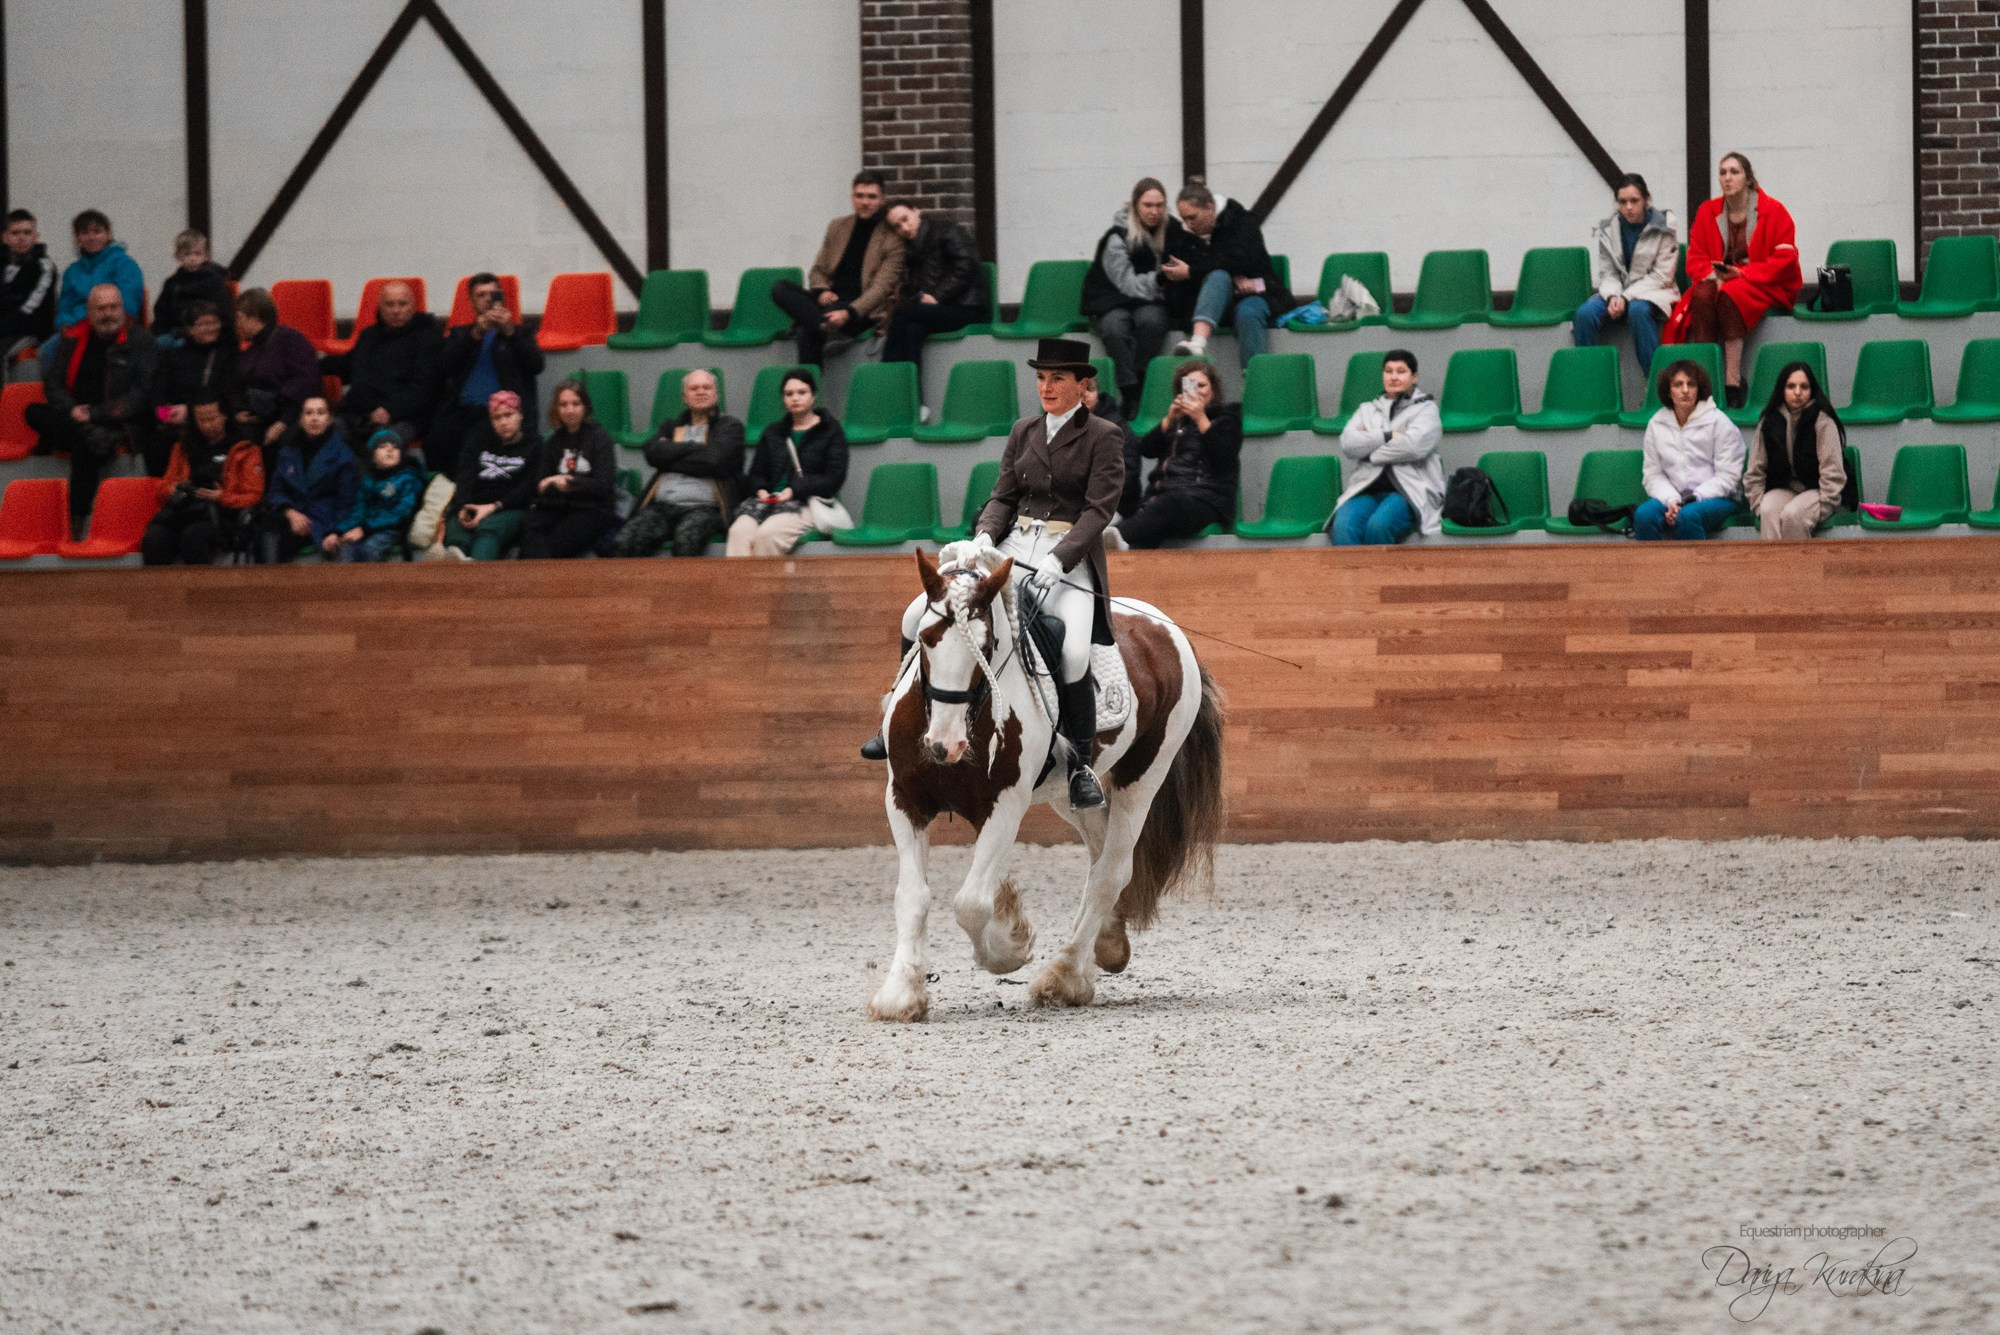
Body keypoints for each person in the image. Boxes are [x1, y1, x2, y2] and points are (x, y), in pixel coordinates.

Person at [865, 337, 1123, 811]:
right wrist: (985, 536)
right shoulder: (1024, 430)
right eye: (1041, 378)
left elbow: (1098, 510)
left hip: (1066, 557)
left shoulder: (1103, 435)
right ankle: (893, 723)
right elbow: (1003, 496)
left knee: (1071, 650)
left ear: (1083, 385)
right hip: (1009, 548)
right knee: (913, 617)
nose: (1046, 387)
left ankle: (1081, 765)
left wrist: (1059, 558)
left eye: (1058, 379)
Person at [1664, 153, 1801, 408]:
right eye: (1723, 172)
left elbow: (1785, 259)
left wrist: (1742, 274)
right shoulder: (1708, 211)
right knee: (1701, 295)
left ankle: (1732, 379)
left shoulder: (1773, 210)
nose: (1727, 178)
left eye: (1734, 172)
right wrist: (1715, 276)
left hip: (1761, 281)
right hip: (1720, 278)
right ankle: (1703, 379)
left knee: (1732, 293)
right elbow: (1695, 258)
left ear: (1747, 177)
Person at [28, 283, 158, 540]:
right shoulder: (73, 336)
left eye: (114, 307)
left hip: (117, 421)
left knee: (84, 443)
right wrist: (73, 410)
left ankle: (77, 519)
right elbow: (53, 383)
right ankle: (83, 433)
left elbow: (141, 394)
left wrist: (96, 414)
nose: (109, 313)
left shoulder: (142, 341)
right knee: (32, 411)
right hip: (76, 416)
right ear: (90, 311)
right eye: (101, 308)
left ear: (123, 308)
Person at [769, 170, 906, 366]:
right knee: (780, 288)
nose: (864, 202)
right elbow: (818, 269)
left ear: (882, 200)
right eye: (859, 196)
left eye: (871, 197)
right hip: (829, 303)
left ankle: (809, 387)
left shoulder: (892, 237)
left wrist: (848, 312)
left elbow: (881, 289)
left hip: (860, 309)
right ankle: (828, 328)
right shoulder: (838, 226)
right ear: (852, 197)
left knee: (805, 330)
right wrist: (822, 290)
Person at [1162, 178, 1296, 368]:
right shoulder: (1183, 236)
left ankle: (1251, 380)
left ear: (1210, 207)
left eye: (1193, 217)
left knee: (1248, 313)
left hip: (1256, 292)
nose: (1188, 224)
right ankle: (1197, 343)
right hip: (1208, 301)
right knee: (1218, 276)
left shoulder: (1243, 222)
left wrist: (1193, 270)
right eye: (1184, 219)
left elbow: (1242, 260)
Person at [612, 368, 746, 557]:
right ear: (685, 397)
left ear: (716, 395)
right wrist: (697, 449)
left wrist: (670, 458)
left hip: (705, 509)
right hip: (663, 506)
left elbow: (715, 461)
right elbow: (652, 453)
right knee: (625, 540)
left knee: (686, 538)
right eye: (694, 388)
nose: (701, 392)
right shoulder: (671, 426)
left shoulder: (730, 426)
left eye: (707, 387)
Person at [429, 271, 545, 482]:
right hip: (462, 412)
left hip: (499, 414)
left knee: (480, 441)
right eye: (481, 295)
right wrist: (476, 334)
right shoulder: (461, 334)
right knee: (436, 439)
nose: (487, 299)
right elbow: (444, 366)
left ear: (501, 298)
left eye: (492, 294)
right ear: (471, 301)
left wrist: (510, 331)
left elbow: (536, 365)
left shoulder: (520, 333)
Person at [1113, 358, 1240, 548]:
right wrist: (1168, 420)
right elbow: (1146, 450)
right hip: (1163, 499)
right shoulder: (1178, 420)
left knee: (1168, 504)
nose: (1197, 390)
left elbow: (1224, 457)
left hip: (1206, 499)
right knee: (1143, 522)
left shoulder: (1227, 418)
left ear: (1213, 390)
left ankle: (1105, 542)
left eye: (1202, 385)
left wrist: (1201, 419)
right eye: (1190, 386)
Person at [726, 368, 848, 557]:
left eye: (802, 392)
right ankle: (740, 587)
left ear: (813, 396)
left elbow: (834, 478)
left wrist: (794, 490)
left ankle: (764, 587)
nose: (795, 398)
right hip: (768, 502)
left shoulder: (830, 430)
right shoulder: (773, 432)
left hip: (805, 503)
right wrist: (761, 490)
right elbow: (756, 473)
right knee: (738, 532)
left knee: (767, 535)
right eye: (789, 394)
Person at [1330, 350, 1444, 546]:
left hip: (1407, 491)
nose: (1393, 377)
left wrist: (1370, 454)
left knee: (1379, 525)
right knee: (1342, 526)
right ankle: (1351, 577)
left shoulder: (1427, 409)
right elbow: (1348, 445)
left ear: (1414, 377)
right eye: (1388, 371)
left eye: (1401, 371)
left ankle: (1380, 576)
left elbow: (1413, 447)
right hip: (1366, 488)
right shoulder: (1366, 409)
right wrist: (1387, 436)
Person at [1573, 173, 1679, 378]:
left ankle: (1656, 384)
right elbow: (1608, 272)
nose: (1628, 207)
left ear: (1646, 200)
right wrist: (1613, 296)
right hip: (1618, 291)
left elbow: (1662, 276)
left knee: (1638, 310)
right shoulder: (1608, 229)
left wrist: (1625, 297)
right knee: (1584, 314)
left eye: (1634, 201)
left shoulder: (1664, 228)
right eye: (1623, 202)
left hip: (1655, 291)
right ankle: (1589, 381)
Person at [1082, 178, 1173, 416]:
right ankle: (1130, 389)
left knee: (1152, 321)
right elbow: (1129, 285)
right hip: (1112, 299)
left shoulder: (1171, 231)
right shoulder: (1116, 238)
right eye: (1148, 205)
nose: (1154, 211)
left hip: (1148, 301)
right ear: (1135, 205)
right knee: (1114, 327)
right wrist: (1161, 278)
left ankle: (1141, 381)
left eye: (1159, 205)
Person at [880, 200, 985, 397]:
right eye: (897, 226)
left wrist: (937, 296)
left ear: (916, 211)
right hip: (936, 312)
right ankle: (914, 401)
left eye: (905, 219)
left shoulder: (947, 231)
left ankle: (886, 386)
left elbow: (966, 266)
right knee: (912, 331)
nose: (904, 227)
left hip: (965, 307)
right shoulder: (909, 248)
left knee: (902, 314)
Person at [322, 280, 443, 452]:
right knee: (323, 434)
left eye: (402, 304)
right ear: (380, 307)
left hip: (405, 417)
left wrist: (390, 410)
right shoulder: (368, 336)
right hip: (360, 413)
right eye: (390, 304)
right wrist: (311, 362)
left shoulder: (428, 338)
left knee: (382, 444)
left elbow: (425, 389)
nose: (396, 310)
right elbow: (348, 364)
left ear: (413, 306)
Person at [141, 397, 264, 566]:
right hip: (183, 510)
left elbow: (254, 495)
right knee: (154, 538)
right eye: (202, 420)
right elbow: (163, 488)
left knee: (193, 537)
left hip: (219, 515)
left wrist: (221, 497)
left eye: (212, 418)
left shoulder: (245, 448)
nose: (207, 425)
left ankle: (197, 591)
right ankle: (160, 592)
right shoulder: (182, 447)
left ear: (224, 415)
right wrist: (175, 489)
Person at [1634, 358, 1744, 541]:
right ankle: (1652, 569)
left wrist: (1690, 500)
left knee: (1687, 516)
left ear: (1698, 389)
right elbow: (1653, 474)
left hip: (1718, 498)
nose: (1685, 390)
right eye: (1678, 385)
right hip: (1673, 498)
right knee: (1644, 516)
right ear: (1669, 391)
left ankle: (1693, 570)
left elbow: (1728, 477)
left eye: (1691, 384)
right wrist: (1672, 500)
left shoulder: (1719, 422)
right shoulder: (1656, 424)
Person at [513, 378, 620, 559]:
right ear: (556, 408)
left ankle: (540, 580)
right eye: (563, 404)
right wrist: (552, 483)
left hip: (592, 509)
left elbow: (603, 485)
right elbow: (540, 484)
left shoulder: (599, 437)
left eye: (575, 404)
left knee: (551, 546)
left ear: (585, 406)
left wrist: (569, 482)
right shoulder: (553, 441)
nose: (569, 410)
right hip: (558, 506)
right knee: (529, 527)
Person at [1745, 362, 1848, 541]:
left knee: (1793, 515)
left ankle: (1800, 568)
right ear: (1782, 390)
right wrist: (1756, 502)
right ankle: (1773, 568)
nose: (1797, 392)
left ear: (1812, 390)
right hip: (1785, 489)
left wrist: (1825, 504)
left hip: (1818, 491)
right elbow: (1755, 470)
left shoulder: (1823, 421)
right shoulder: (1769, 421)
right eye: (1791, 386)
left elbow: (1833, 471)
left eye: (1804, 387)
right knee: (1768, 509)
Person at [257, 394, 360, 563]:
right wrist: (290, 512)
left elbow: (347, 502)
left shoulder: (343, 455)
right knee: (268, 527)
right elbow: (275, 491)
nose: (314, 418)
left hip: (323, 521)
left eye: (320, 413)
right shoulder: (287, 451)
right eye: (309, 413)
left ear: (329, 419)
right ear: (301, 419)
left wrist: (334, 532)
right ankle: (265, 585)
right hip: (292, 517)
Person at [443, 390, 538, 561]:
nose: (503, 422)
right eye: (497, 417)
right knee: (457, 531)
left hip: (510, 508)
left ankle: (477, 578)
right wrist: (464, 506)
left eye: (509, 415)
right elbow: (464, 477)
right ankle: (457, 567)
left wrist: (493, 507)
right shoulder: (478, 441)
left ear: (520, 415)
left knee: (488, 529)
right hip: (475, 505)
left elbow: (528, 488)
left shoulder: (535, 445)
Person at [147, 299, 236, 476]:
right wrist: (167, 415)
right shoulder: (171, 356)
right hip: (174, 424)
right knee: (155, 441)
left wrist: (189, 411)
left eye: (214, 322)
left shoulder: (226, 356)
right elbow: (156, 396)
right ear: (189, 329)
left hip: (211, 421)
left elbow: (227, 394)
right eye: (203, 324)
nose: (211, 328)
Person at [232, 287, 321, 458]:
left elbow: (304, 384)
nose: (236, 325)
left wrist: (282, 422)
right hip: (259, 418)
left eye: (239, 319)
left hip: (290, 418)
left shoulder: (291, 341)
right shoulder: (250, 351)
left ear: (256, 316)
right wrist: (238, 411)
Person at [331, 430, 424, 562]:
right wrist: (339, 531)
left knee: (370, 548)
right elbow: (358, 511)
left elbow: (402, 512)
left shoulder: (408, 478)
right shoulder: (368, 480)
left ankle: (373, 582)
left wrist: (365, 529)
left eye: (395, 447)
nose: (390, 450)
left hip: (392, 528)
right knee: (347, 547)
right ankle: (348, 582)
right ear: (373, 456)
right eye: (382, 447)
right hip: (367, 527)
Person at [54, 210, 144, 330]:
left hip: (111, 326)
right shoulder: (72, 272)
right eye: (84, 233)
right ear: (77, 238)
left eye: (97, 232)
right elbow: (65, 307)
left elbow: (128, 302)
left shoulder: (125, 265)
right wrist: (65, 324)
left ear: (108, 235)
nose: (91, 237)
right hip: (76, 328)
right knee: (47, 349)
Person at [0, 209, 58, 372]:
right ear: (4, 237)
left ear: (36, 237)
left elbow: (30, 313)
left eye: (27, 232)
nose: (21, 238)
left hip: (32, 333)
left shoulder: (44, 267)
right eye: (15, 233)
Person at [151, 229, 232, 343]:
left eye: (197, 253)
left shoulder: (213, 282)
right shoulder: (172, 283)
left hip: (201, 334)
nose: (192, 258)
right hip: (173, 332)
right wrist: (157, 334)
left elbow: (223, 313)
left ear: (205, 255)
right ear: (178, 256)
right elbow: (161, 312)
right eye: (187, 254)